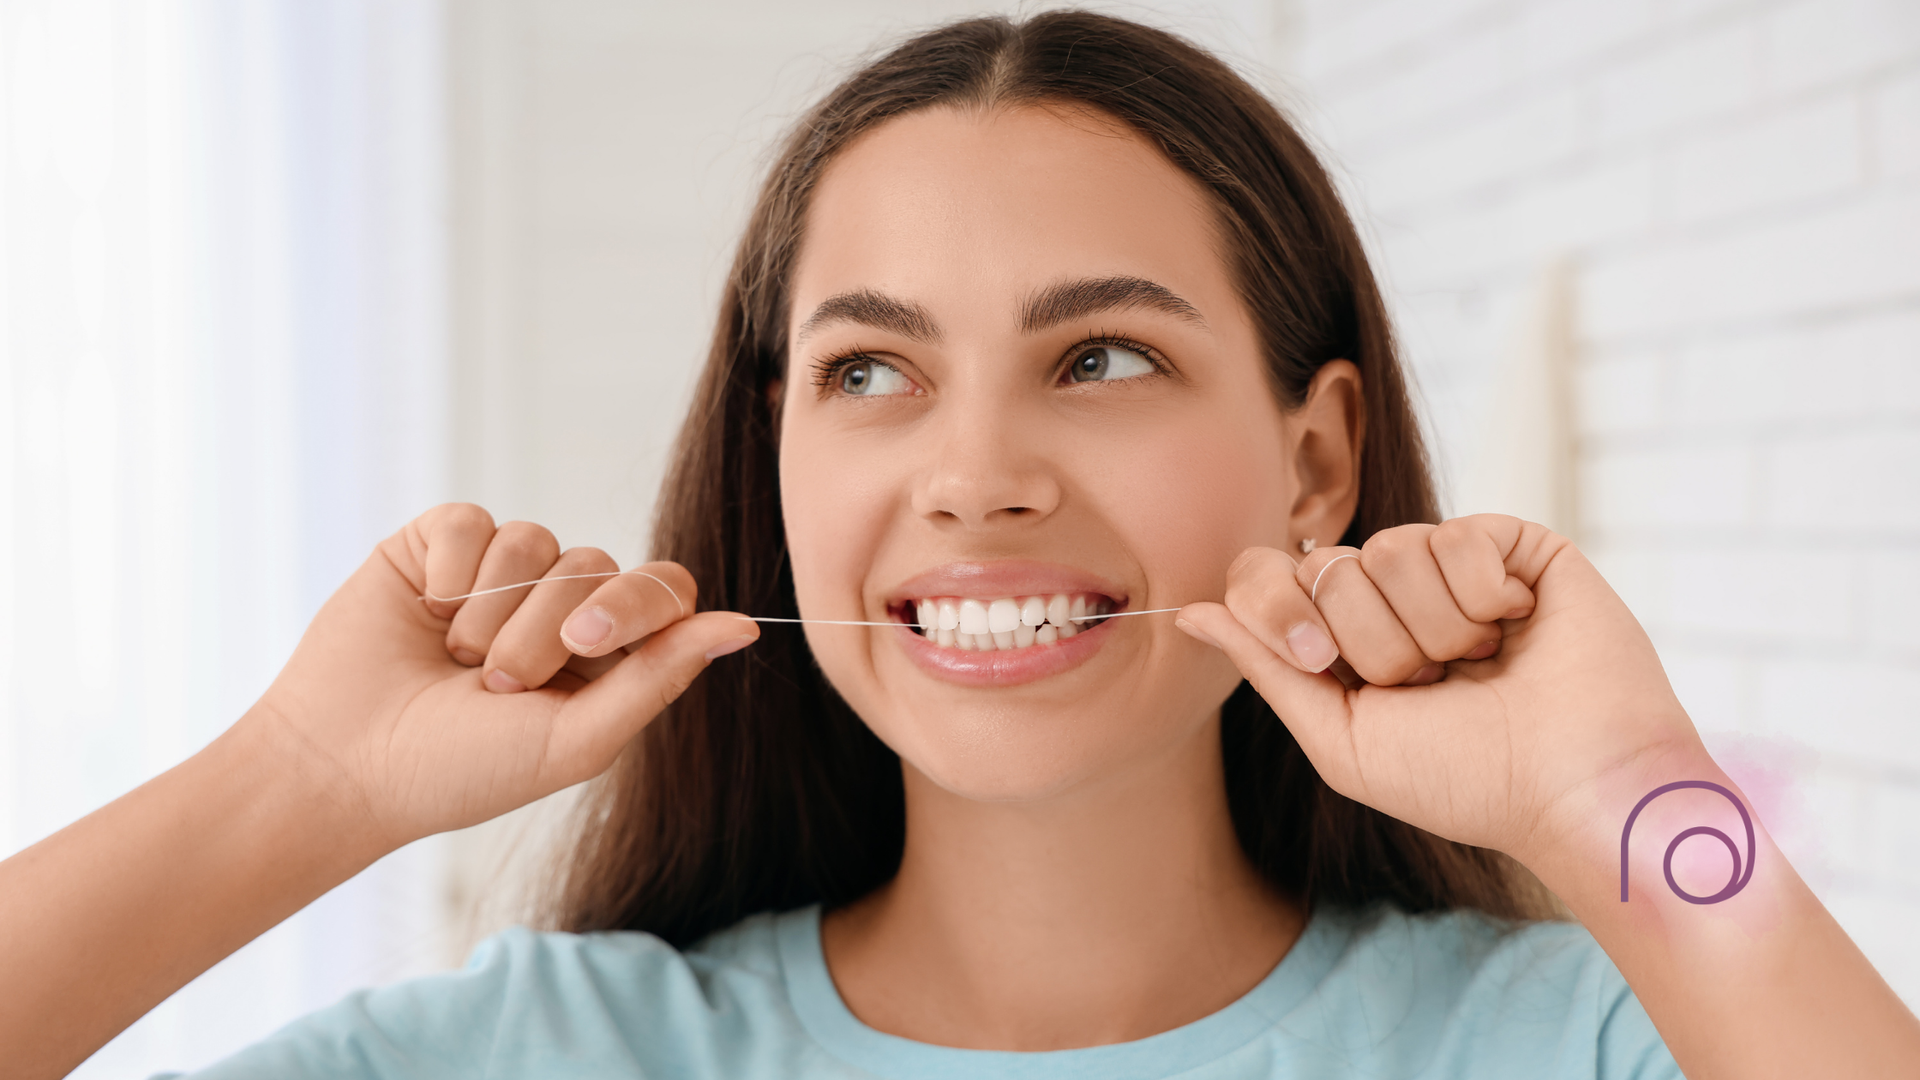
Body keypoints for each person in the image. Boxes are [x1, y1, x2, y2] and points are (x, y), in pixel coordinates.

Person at [6, 11, 1918, 1080]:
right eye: (870, 372)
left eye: (1100, 356)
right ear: (774, 455)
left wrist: (1630, 795)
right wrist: (298, 782)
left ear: (1318, 456)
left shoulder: (1589, 1040)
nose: (976, 475)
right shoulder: (534, 1057)